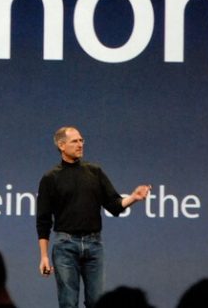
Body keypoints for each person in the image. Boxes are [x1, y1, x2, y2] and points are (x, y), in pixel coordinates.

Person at [36, 126, 151, 308]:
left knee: (97, 303)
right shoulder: (50, 178)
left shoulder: (94, 172)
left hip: (94, 246)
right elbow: (43, 220)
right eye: (75, 141)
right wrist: (44, 256)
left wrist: (134, 198)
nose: (80, 144)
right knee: (68, 303)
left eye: (81, 140)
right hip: (65, 246)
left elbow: (114, 205)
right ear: (61, 145)